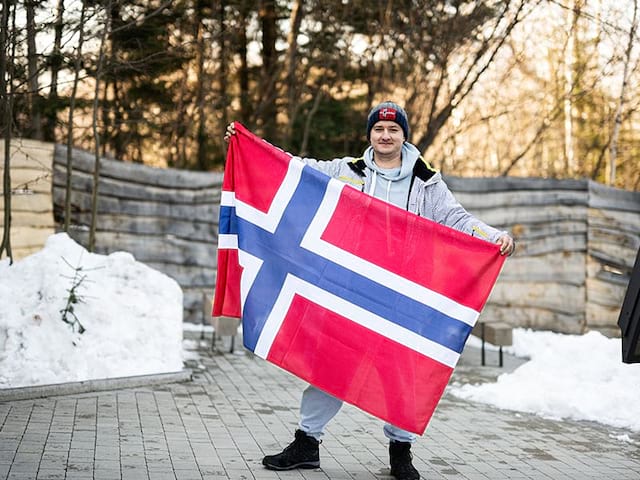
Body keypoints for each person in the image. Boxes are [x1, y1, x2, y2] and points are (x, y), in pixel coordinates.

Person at [223, 101, 514, 480]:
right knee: (331, 365)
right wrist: (252, 145)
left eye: (394, 130)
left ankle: (400, 452)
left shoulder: (425, 180)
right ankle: (307, 443)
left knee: (402, 373)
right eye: (379, 129)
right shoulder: (347, 171)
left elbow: (455, 218)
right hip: (351, 289)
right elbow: (295, 170)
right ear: (370, 134)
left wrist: (493, 237)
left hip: (403, 291)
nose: (386, 136)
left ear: (404, 135)